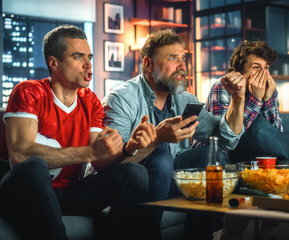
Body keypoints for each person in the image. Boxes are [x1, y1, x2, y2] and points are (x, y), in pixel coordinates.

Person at [0, 25, 156, 240]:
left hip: (70, 194)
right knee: (34, 165)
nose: (88, 64)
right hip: (21, 192)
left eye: (89, 57)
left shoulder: (90, 100)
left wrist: (130, 148)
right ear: (54, 63)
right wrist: (90, 153)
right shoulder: (29, 91)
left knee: (136, 174)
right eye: (78, 57)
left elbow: (99, 162)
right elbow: (20, 155)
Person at [102, 29, 245, 239]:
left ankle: (201, 235)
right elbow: (113, 163)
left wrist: (238, 99)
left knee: (212, 156)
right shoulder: (121, 99)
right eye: (172, 58)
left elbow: (225, 140)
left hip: (171, 178)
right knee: (160, 155)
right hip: (140, 181)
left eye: (183, 58)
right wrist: (157, 139)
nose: (182, 66)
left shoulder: (185, 100)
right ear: (148, 64)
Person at [206, 40, 287, 163]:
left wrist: (267, 99)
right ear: (239, 72)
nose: (263, 73)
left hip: (255, 157)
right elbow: (225, 139)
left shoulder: (270, 89)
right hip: (220, 155)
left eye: (266, 67)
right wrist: (255, 99)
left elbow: (274, 134)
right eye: (256, 67)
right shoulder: (223, 86)